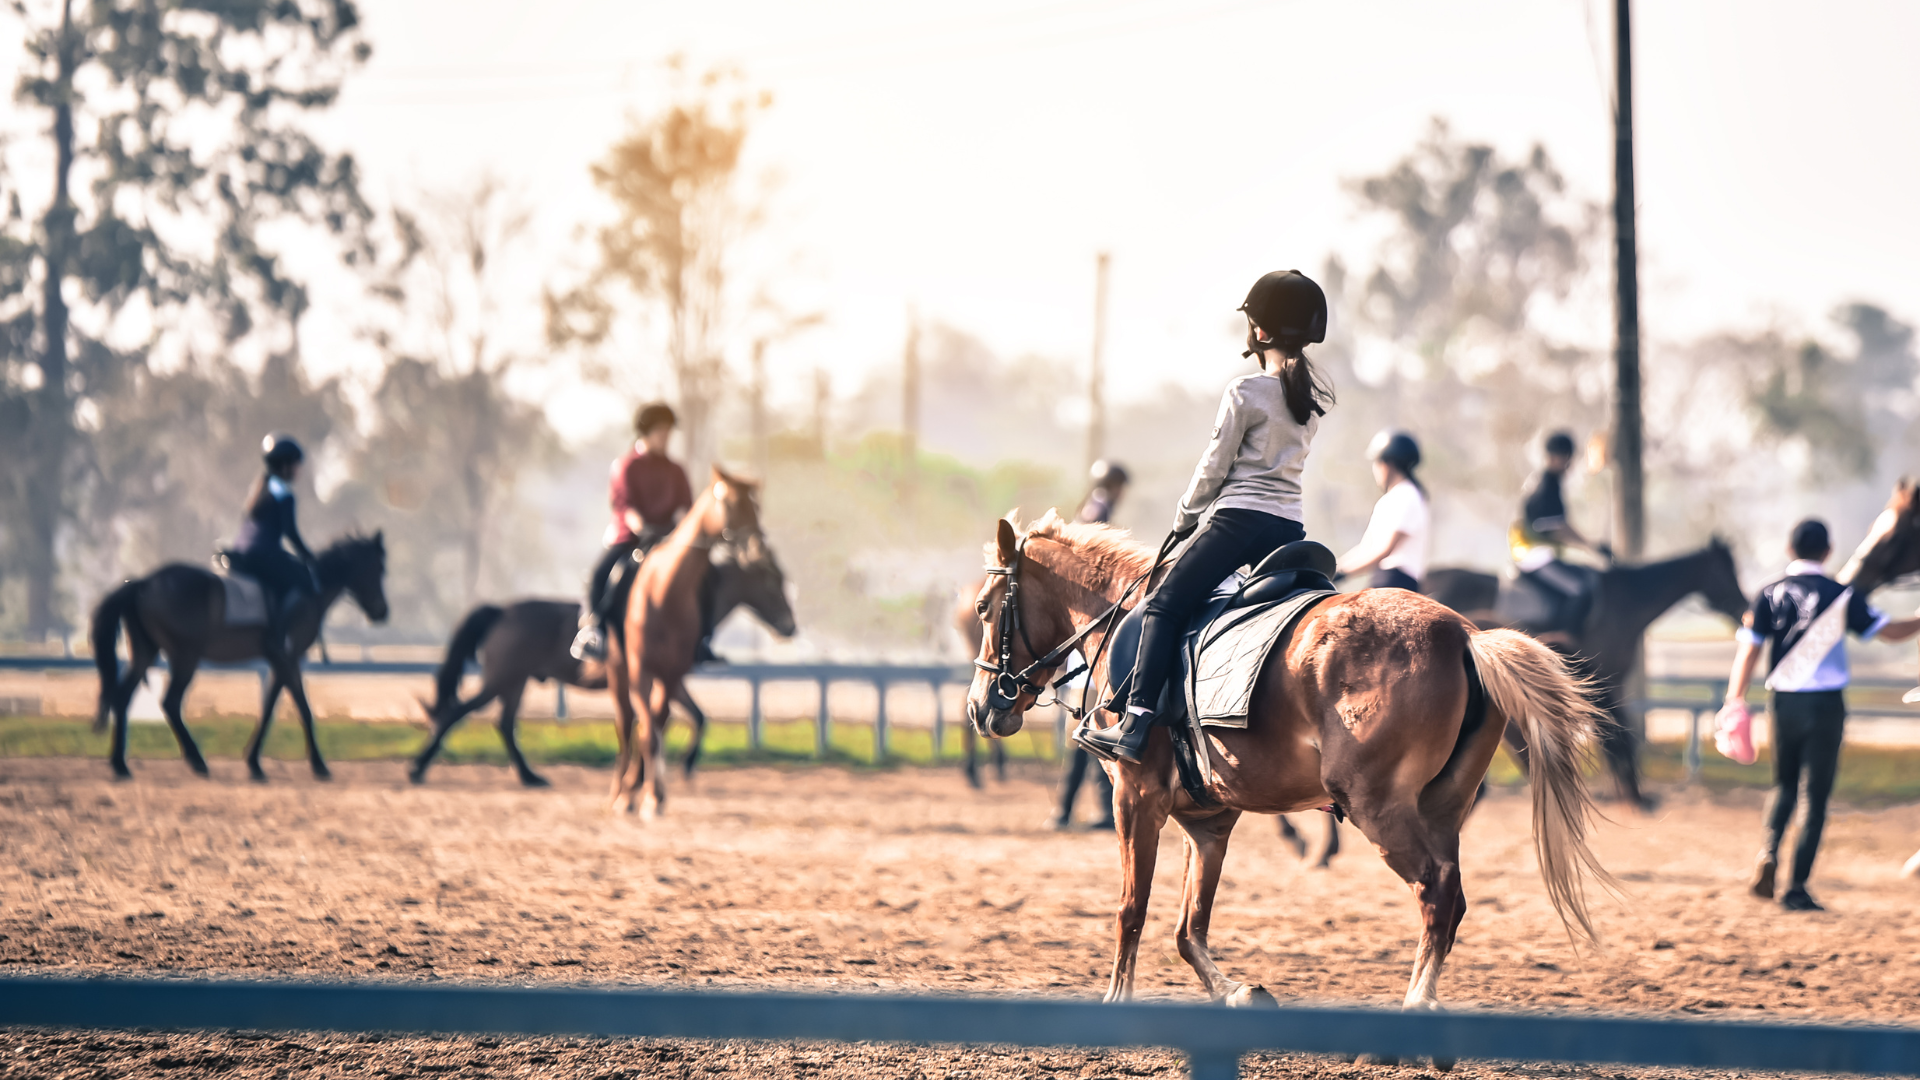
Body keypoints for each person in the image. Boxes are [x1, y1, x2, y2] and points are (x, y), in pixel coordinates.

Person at [1077, 269, 1332, 765]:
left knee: (1162, 606)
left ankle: (1135, 723)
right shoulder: (1310, 403)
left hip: (1239, 522)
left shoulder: (1246, 391)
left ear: (1260, 332)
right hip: (1289, 529)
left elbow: (1214, 466)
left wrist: (1184, 519)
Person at [1720, 519, 1920, 911]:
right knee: (1815, 797)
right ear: (1827, 552)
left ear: (1789, 549)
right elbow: (1890, 632)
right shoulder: (1840, 594)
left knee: (1783, 786)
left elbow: (1748, 651)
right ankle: (1796, 887)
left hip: (1783, 703)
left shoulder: (1768, 593)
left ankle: (1769, 852)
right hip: (1826, 706)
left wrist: (1734, 699)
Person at [571, 403, 694, 662]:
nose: (666, 438)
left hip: (668, 541)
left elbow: (686, 506)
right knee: (600, 574)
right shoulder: (626, 466)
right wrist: (643, 528)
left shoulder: (676, 470)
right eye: (661, 432)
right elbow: (625, 506)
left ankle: (700, 637)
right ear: (645, 433)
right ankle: (594, 633)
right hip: (630, 538)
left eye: (668, 432)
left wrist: (680, 528)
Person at [1050, 460, 1129, 830]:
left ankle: (1069, 810)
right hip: (1090, 651)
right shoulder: (1098, 512)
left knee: (1088, 728)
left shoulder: (1091, 508)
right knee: (1093, 727)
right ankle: (1080, 810)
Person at [1510, 431, 1609, 637]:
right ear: (1557, 457)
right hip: (1535, 557)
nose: (1569, 466)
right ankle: (1566, 643)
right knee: (1580, 589)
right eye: (1567, 459)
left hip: (1542, 555)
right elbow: (1560, 529)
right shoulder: (1548, 485)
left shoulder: (1544, 481)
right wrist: (1593, 546)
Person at [229, 434, 320, 658]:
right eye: (296, 465)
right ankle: (278, 637)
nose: (299, 470)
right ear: (286, 466)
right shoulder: (284, 493)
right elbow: (290, 532)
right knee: (300, 584)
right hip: (263, 553)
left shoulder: (259, 488)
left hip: (241, 551)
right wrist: (309, 557)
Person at [1336, 430, 1429, 591]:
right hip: (1383, 580)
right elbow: (1365, 548)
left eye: (1376, 463)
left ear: (1387, 464)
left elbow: (1384, 550)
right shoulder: (1389, 499)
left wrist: (1343, 574)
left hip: (1396, 582)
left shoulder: (1407, 495)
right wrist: (1332, 568)